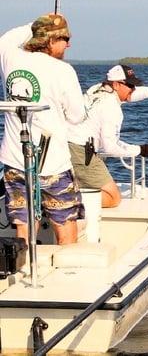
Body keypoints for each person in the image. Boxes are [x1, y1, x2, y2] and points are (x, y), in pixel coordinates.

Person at [0, 14, 87, 244]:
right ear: (50, 41)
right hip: (52, 164)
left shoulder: (8, 55)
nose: (68, 44)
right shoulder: (63, 71)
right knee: (65, 223)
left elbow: (8, 36)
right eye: (65, 38)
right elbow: (77, 116)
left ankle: (23, 271)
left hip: (15, 161)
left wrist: (37, 22)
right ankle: (68, 273)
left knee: (23, 225)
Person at [67, 65, 148, 208]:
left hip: (69, 145)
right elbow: (110, 147)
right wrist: (142, 150)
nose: (133, 89)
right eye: (130, 85)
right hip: (81, 151)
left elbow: (128, 96)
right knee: (113, 198)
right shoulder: (111, 108)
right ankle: (59, 199)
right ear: (116, 84)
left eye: (134, 85)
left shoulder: (98, 89)